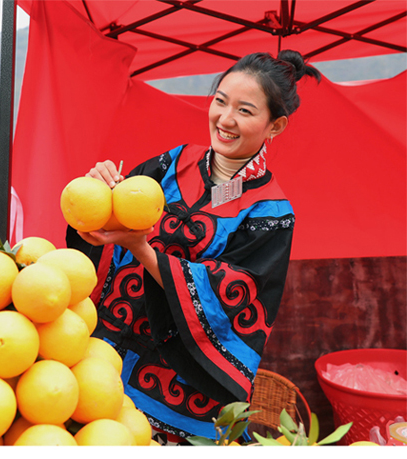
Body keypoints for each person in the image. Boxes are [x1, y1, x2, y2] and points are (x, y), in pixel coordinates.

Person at [66, 50, 321, 444]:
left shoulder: (271, 213)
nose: (225, 119)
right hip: (101, 361)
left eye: (246, 111)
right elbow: (102, 238)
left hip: (178, 393)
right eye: (220, 101)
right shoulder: (170, 165)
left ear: (276, 125)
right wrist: (98, 197)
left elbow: (233, 296)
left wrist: (144, 250)